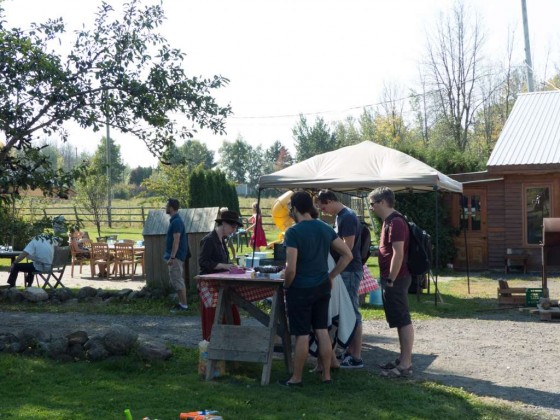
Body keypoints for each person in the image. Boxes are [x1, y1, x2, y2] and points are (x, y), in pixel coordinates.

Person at [278, 191, 353, 387]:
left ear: (295, 208)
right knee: (322, 331)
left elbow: (291, 268)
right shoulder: (324, 227)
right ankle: (326, 375)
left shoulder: (293, 232)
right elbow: (348, 255)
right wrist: (331, 276)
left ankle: (296, 378)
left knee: (302, 334)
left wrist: (286, 285)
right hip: (322, 287)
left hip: (300, 289)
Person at [316, 189, 365, 369]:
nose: (324, 212)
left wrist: (328, 244)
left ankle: (356, 356)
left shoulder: (347, 217)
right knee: (346, 310)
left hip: (349, 270)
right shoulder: (340, 216)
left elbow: (347, 248)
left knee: (352, 311)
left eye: (323, 208)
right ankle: (350, 351)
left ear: (329, 201)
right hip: (345, 269)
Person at [369, 187, 414, 378]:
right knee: (398, 318)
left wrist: (391, 278)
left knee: (402, 319)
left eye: (372, 204)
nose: (371, 208)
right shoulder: (389, 221)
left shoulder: (396, 222)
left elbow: (398, 253)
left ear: (382, 202)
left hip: (397, 278)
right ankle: (402, 358)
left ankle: (405, 364)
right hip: (394, 278)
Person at [198, 209, 244, 340]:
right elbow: (203, 262)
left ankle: (229, 343)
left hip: (221, 285)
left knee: (232, 315)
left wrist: (232, 267)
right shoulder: (209, 240)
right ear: (223, 223)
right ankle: (212, 344)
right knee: (214, 319)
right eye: (233, 227)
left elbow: (223, 261)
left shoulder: (222, 240)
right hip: (210, 286)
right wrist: (224, 266)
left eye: (235, 228)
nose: (234, 230)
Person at [164, 198, 189, 313]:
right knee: (176, 279)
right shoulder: (175, 220)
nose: (165, 207)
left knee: (177, 279)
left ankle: (184, 306)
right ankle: (181, 304)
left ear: (171, 208)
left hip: (176, 256)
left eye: (167, 206)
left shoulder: (176, 222)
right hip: (176, 256)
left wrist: (172, 257)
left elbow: (176, 240)